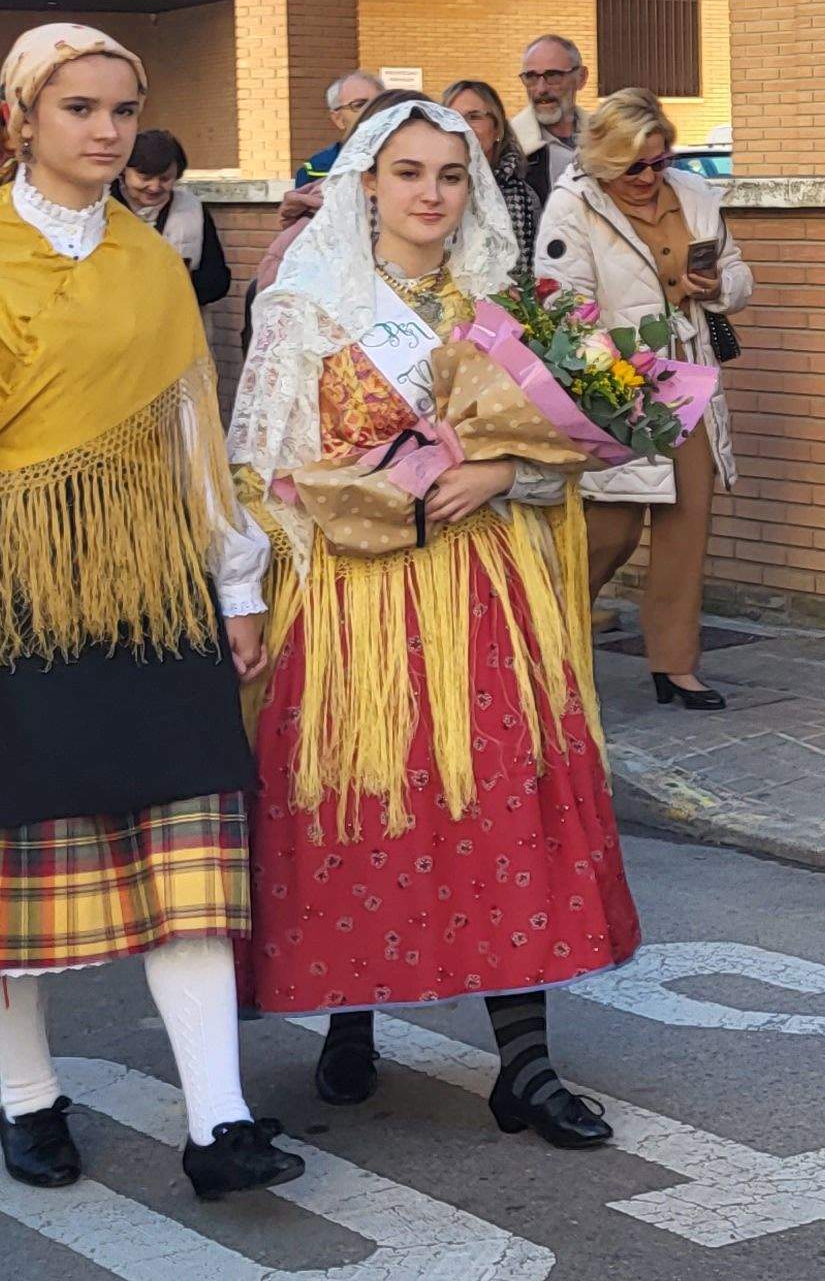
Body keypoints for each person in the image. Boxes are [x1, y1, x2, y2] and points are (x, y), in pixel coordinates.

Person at [0, 21, 301, 1202]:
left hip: (151, 591)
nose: (104, 132)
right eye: (79, 110)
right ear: (22, 119)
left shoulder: (153, 262)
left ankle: (221, 1123)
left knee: (190, 864)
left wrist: (235, 581)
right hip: (10, 592)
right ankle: (27, 1099)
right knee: (8, 871)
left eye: (119, 111)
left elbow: (191, 434)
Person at [233, 96, 642, 1147]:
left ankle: (526, 1063)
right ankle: (349, 1018)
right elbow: (262, 469)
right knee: (364, 798)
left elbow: (566, 458)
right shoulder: (307, 304)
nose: (429, 194)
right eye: (408, 172)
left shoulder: (498, 302)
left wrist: (500, 466)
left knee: (502, 797)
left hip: (482, 586)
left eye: (450, 176)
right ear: (367, 181)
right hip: (351, 597)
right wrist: (347, 515)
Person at [536, 88, 749, 711]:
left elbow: (738, 273)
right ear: (604, 161)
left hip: (691, 382)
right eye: (634, 165)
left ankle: (676, 666)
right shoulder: (573, 206)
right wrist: (614, 359)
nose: (649, 176)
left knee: (687, 531)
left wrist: (714, 287)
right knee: (610, 530)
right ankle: (549, 646)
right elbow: (558, 300)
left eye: (660, 160)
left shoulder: (696, 194)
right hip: (617, 390)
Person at [117, 131, 232, 310]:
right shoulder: (100, 208)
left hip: (179, 322)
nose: (154, 187)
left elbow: (217, 280)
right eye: (145, 178)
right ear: (123, 170)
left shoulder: (193, 209)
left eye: (165, 178)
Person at [441, 77, 546, 254]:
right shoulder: (429, 190)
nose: (463, 127)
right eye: (452, 118)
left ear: (497, 127)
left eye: (474, 117)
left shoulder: (524, 197)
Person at [297, 70, 383, 183]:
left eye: (380, 103)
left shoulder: (407, 160)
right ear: (338, 119)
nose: (372, 111)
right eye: (359, 105)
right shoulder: (315, 171)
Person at [513, 33, 587, 160]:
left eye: (553, 75)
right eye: (531, 77)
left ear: (581, 77)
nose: (541, 89)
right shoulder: (508, 146)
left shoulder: (609, 137)